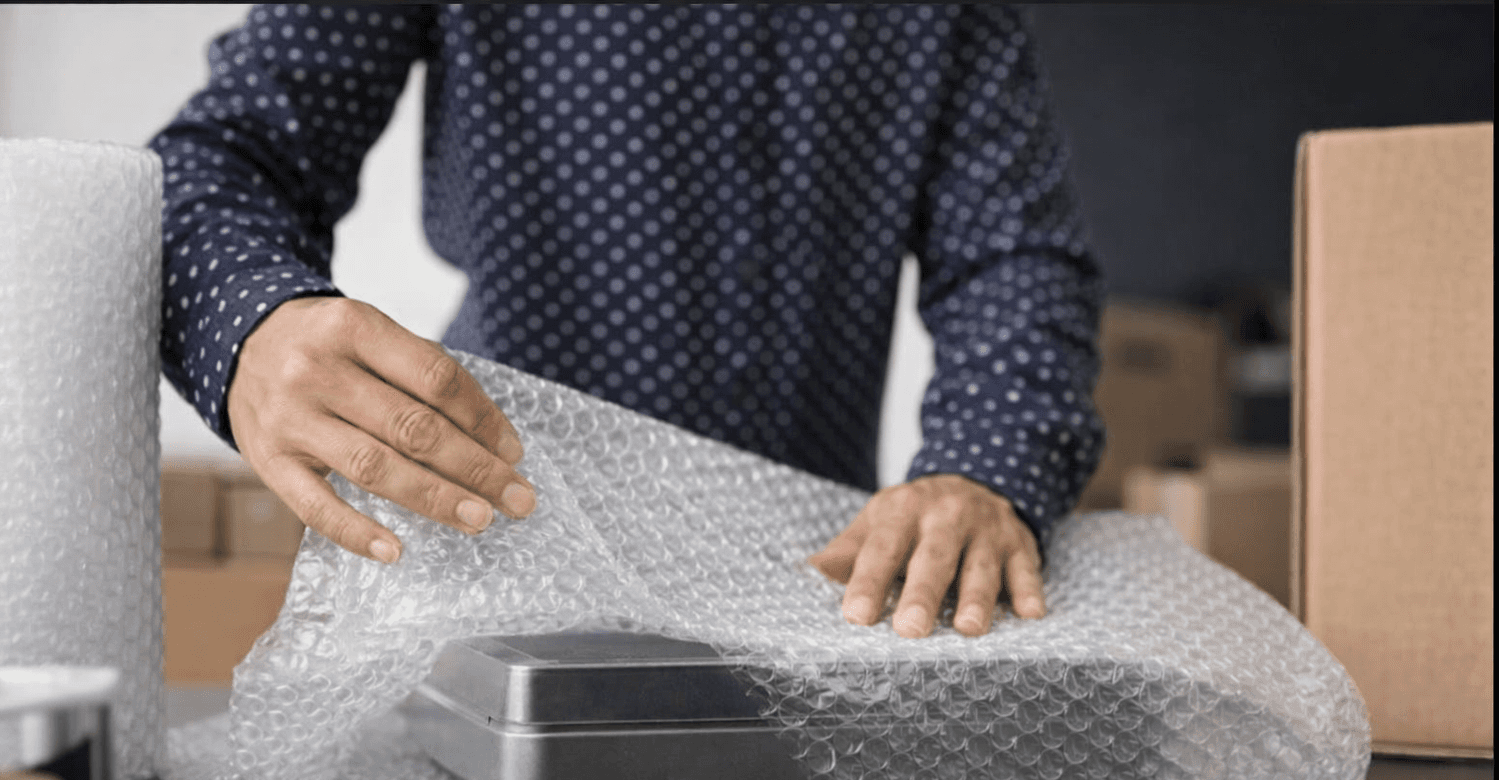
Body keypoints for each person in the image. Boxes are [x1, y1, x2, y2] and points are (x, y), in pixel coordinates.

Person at [150, 4, 1105, 639]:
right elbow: (223, 161)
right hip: (498, 590)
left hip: (820, 601)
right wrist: (256, 326)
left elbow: (1015, 255)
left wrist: (986, 467)